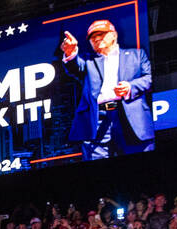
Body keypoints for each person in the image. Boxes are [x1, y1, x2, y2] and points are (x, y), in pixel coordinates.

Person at [59, 18, 153, 160]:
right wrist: (70, 53)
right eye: (92, 37)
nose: (96, 39)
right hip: (97, 119)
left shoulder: (137, 55)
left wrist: (130, 87)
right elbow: (74, 67)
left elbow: (149, 78)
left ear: (114, 35)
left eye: (101, 34)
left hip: (130, 118)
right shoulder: (88, 61)